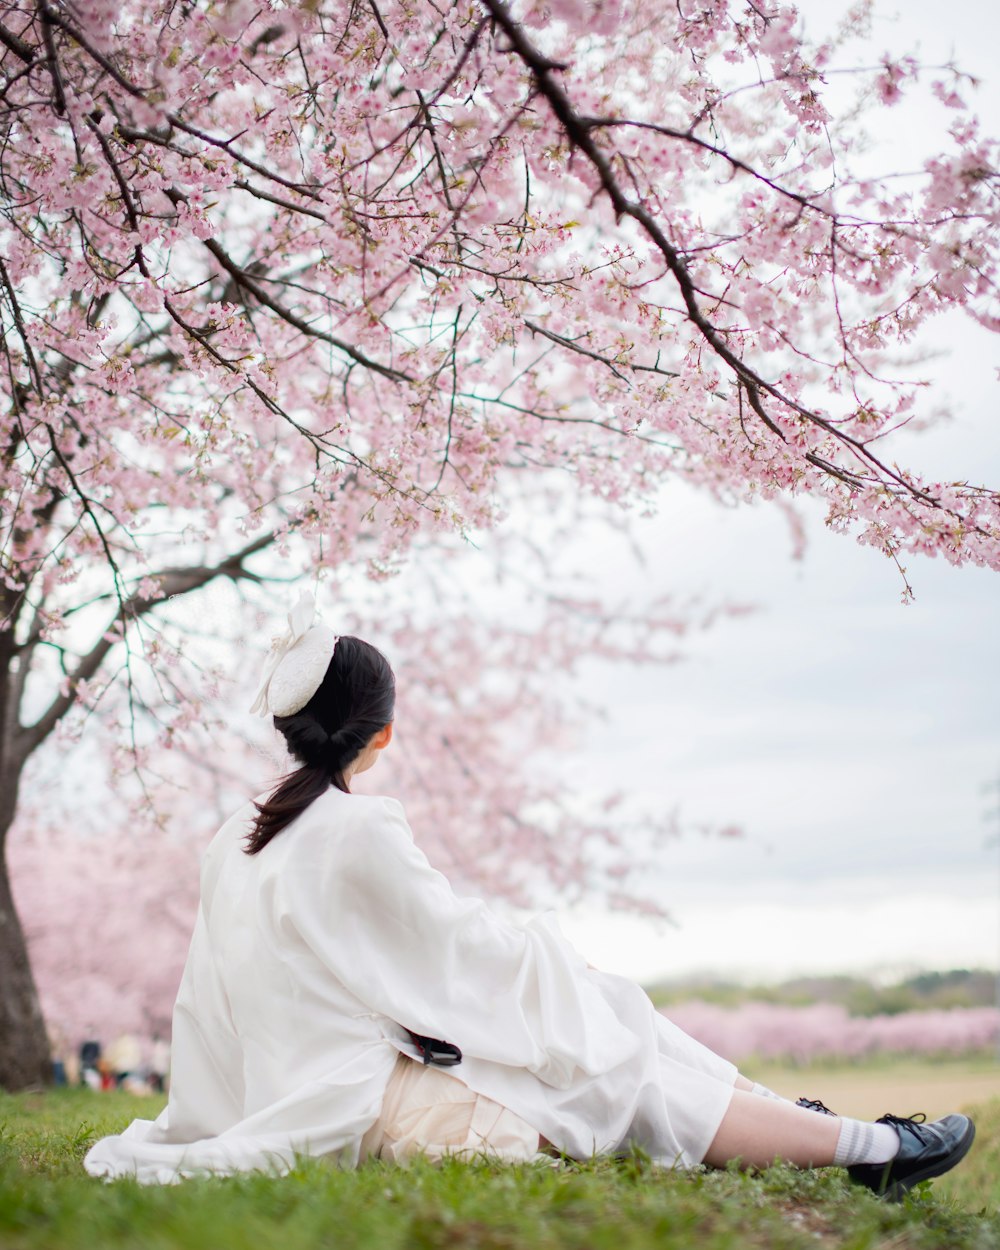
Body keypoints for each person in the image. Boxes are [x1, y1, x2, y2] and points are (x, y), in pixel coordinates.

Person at [84, 595, 975, 1195]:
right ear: (383, 732)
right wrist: (558, 958)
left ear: (290, 729)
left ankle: (828, 1131)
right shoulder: (355, 829)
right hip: (360, 1102)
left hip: (309, 1085)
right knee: (614, 1065)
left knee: (604, 1031)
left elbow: (216, 1007)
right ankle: (867, 1147)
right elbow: (457, 954)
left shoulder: (234, 838)